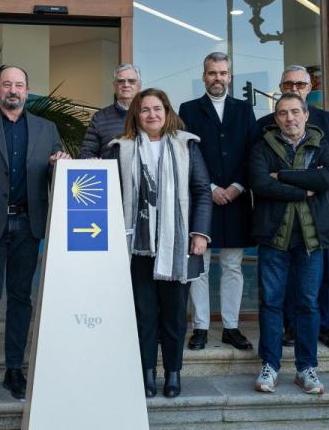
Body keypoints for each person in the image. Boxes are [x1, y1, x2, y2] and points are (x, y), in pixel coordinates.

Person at [0, 66, 70, 402]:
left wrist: (61, 162)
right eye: (7, 84)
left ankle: (14, 370)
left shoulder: (47, 129)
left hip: (28, 225)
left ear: (27, 90)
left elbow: (58, 173)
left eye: (19, 85)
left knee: (21, 299)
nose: (13, 90)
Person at [109, 88, 212, 399]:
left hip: (176, 245)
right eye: (145, 110)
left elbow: (202, 191)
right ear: (136, 115)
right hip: (136, 246)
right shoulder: (121, 148)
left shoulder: (186, 144)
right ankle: (147, 373)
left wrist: (199, 233)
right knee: (144, 314)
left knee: (174, 314)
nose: (152, 114)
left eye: (157, 108)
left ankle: (173, 373)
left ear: (167, 112)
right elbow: (108, 194)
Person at [256, 65, 329, 349]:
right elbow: (260, 177)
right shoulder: (265, 124)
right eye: (288, 84)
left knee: (325, 275)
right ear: (280, 88)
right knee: (285, 280)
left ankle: (327, 326)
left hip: (323, 209)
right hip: (280, 214)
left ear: (310, 88)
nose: (294, 89)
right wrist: (307, 182)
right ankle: (290, 326)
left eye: (300, 84)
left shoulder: (326, 120)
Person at [249, 92, 329, 395]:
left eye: (295, 112)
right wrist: (303, 188)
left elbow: (327, 180)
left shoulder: (322, 144)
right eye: (283, 113)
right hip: (274, 237)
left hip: (311, 240)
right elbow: (261, 183)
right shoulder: (262, 147)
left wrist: (284, 176)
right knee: (271, 302)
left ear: (305, 115)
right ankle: (270, 366)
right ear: (276, 118)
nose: (289, 118)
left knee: (308, 303)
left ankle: (306, 368)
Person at [178, 52, 259, 352]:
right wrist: (210, 187)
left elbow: (253, 152)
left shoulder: (244, 109)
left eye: (223, 73)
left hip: (237, 199)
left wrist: (237, 186)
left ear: (230, 77)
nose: (218, 78)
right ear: (204, 76)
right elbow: (187, 153)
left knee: (233, 265)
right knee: (199, 266)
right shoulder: (189, 109)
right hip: (203, 198)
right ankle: (200, 327)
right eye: (212, 73)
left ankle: (231, 327)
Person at [79, 63, 141, 159]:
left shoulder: (151, 116)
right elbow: (86, 153)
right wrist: (92, 162)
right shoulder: (100, 117)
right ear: (114, 85)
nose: (126, 85)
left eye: (131, 81)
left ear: (139, 85)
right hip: (111, 169)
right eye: (121, 81)